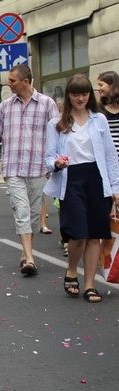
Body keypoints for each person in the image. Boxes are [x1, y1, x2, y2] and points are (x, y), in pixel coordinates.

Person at [0, 65, 59, 276]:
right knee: (21, 211)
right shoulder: (6, 106)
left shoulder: (47, 104)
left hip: (38, 168)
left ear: (25, 81)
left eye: (12, 80)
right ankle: (29, 258)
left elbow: (57, 136)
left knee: (34, 215)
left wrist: (54, 164)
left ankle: (25, 251)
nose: (8, 84)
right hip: (14, 168)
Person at [44, 74, 119, 303]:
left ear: (90, 95)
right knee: (78, 235)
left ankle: (89, 286)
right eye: (75, 94)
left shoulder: (99, 120)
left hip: (96, 179)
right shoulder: (57, 123)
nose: (80, 98)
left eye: (84, 93)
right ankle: (71, 269)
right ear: (68, 95)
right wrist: (56, 163)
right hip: (71, 179)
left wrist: (115, 188)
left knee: (95, 235)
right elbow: (48, 158)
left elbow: (109, 156)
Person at [96, 71, 119, 152]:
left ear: (112, 85)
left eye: (101, 85)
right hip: (108, 158)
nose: (98, 89)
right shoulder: (98, 109)